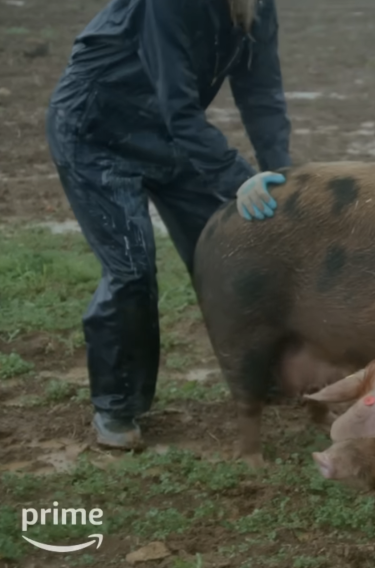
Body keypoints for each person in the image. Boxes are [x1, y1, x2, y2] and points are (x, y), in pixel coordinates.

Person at [44, 0, 292, 450]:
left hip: (166, 132)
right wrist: (238, 178)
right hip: (95, 130)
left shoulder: (258, 6)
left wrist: (285, 176)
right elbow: (179, 105)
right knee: (131, 269)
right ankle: (117, 406)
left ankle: (259, 373)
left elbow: (261, 93)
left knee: (231, 250)